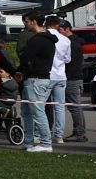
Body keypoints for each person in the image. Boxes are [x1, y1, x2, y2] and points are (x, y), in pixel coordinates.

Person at [17, 15, 63, 153]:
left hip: (36, 79)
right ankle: (29, 141)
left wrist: (20, 69)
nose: (26, 24)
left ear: (34, 21)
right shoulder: (49, 39)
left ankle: (45, 142)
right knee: (27, 111)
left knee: (37, 111)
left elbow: (25, 57)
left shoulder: (37, 40)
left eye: (27, 21)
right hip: (38, 78)